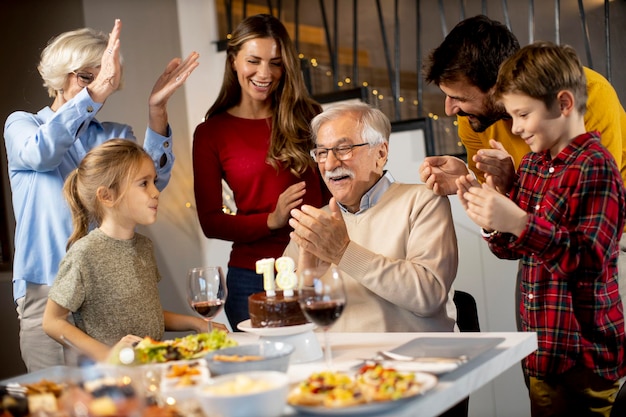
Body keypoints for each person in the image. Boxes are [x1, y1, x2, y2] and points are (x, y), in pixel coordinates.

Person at [3, 19, 199, 371]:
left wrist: (157, 112)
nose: (98, 88)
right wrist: (92, 97)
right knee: (58, 403)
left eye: (103, 78)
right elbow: (41, 154)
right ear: (60, 74)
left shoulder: (113, 134)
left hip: (107, 293)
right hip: (46, 292)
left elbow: (145, 184)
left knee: (116, 397)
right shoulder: (23, 126)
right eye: (86, 77)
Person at [418, 14, 626, 331]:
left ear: (497, 86)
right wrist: (472, 181)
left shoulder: (588, 95)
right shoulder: (473, 119)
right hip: (536, 248)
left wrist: (515, 199)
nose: (450, 109)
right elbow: (511, 216)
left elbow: (578, 220)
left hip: (606, 249)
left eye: (459, 97)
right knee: (539, 359)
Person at [456, 42, 625, 417]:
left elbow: (589, 261)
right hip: (543, 349)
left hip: (586, 356)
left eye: (522, 115)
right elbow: (510, 249)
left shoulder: (597, 166)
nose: (515, 128)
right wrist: (490, 214)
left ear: (564, 104)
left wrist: (516, 220)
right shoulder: (533, 164)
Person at [192, 14, 329, 330]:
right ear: (233, 61)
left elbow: (332, 195)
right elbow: (210, 221)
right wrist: (272, 219)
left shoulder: (309, 116)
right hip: (251, 278)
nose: (265, 74)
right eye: (254, 61)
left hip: (313, 267)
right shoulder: (211, 133)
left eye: (276, 63)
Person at [284, 102, 459, 333]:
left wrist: (343, 252)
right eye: (322, 153)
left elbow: (428, 296)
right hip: (334, 362)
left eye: (344, 149)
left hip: (410, 360)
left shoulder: (423, 201)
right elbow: (286, 319)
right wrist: (306, 279)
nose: (330, 164)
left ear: (381, 152)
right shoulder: (317, 224)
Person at [41, 140, 211, 363]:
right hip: (113, 377)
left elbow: (146, 312)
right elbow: (52, 322)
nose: (156, 192)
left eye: (154, 182)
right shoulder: (85, 254)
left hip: (151, 365)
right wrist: (108, 354)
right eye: (144, 183)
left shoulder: (144, 246)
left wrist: (196, 323)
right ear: (107, 196)